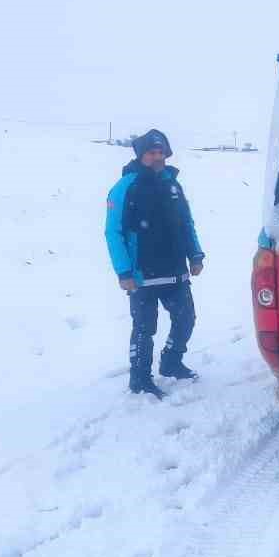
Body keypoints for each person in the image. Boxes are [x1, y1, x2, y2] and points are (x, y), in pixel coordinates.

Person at [104, 128, 205, 399]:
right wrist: (123, 271)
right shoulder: (125, 186)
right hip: (141, 275)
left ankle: (171, 361)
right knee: (144, 329)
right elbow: (112, 232)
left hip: (175, 271)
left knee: (186, 319)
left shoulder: (173, 184)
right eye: (152, 152)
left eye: (161, 152)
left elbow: (186, 222)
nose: (157, 156)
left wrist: (195, 254)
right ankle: (140, 379)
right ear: (141, 154)